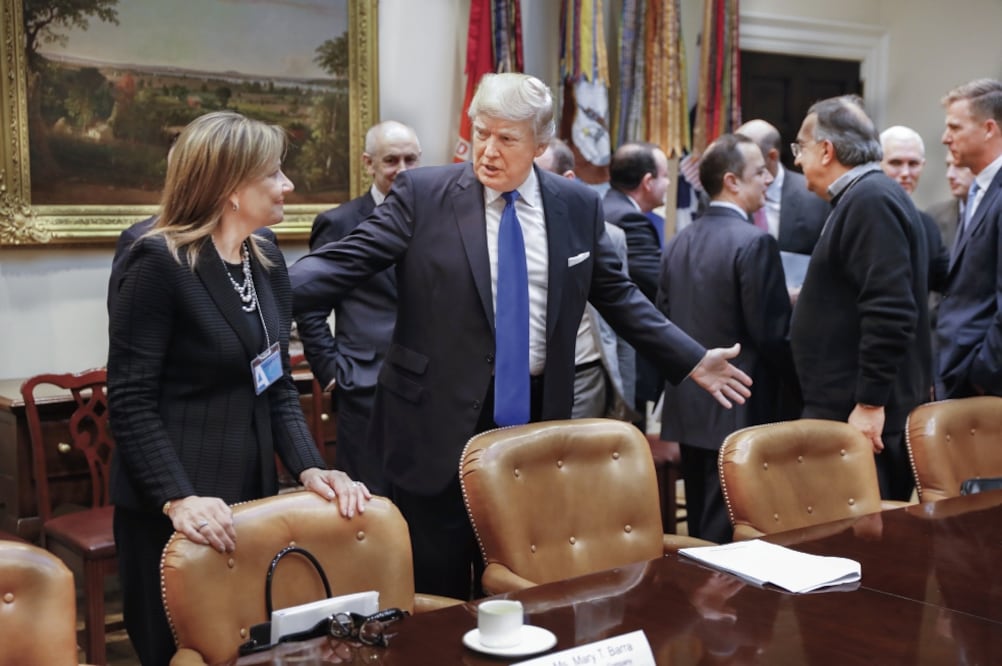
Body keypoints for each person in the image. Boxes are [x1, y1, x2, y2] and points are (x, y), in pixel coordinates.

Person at [290, 73, 752, 599]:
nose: (488, 151)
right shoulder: (423, 194)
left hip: (532, 418)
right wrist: (253, 292)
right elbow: (339, 264)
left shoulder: (576, 206)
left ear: (541, 143)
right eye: (482, 132)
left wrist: (691, 360)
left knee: (522, 582)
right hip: (432, 421)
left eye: (507, 139)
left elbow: (618, 297)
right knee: (437, 588)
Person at [107, 111, 370, 666]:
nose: (288, 185)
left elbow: (274, 384)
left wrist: (309, 467)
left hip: (248, 498)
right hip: (176, 506)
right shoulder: (156, 261)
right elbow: (129, 400)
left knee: (243, 650)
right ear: (231, 190)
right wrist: (178, 498)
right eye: (274, 174)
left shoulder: (265, 256)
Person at [658, 133, 797, 543]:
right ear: (732, 181)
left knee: (701, 528)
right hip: (740, 403)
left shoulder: (679, 240)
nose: (769, 179)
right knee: (738, 530)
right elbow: (771, 335)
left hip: (689, 405)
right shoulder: (756, 242)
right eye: (760, 172)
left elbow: (664, 318)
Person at [790, 95, 930, 502]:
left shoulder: (870, 200)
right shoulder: (866, 196)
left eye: (801, 147)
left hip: (860, 416)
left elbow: (890, 309)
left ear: (826, 150)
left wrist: (869, 403)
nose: (797, 160)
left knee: (857, 545)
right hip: (849, 408)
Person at [297, 121, 422, 495]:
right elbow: (311, 307)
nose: (402, 169)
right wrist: (332, 372)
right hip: (366, 385)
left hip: (430, 389)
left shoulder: (438, 217)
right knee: (369, 503)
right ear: (368, 163)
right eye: (391, 160)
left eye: (411, 159)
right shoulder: (339, 223)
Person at [534, 137, 637, 420]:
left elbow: (623, 317)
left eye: (539, 175)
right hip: (520, 376)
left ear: (568, 179)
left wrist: (624, 400)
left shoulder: (609, 237)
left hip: (584, 375)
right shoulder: (507, 231)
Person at [937, 78, 1002, 399]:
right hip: (957, 369)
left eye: (955, 127)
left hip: (982, 380)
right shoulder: (979, 189)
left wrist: (981, 373)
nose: (945, 138)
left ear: (989, 128)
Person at [603, 143, 671, 422]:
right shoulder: (628, 220)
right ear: (647, 182)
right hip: (624, 356)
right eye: (665, 175)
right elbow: (658, 283)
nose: (668, 183)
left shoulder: (607, 207)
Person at [735, 119, 830, 255]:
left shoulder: (815, 196)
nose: (735, 164)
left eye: (743, 158)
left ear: (772, 156)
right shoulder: (727, 193)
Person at [926, 152, 975, 252]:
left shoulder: (996, 212)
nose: (949, 175)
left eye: (959, 166)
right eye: (948, 166)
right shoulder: (934, 216)